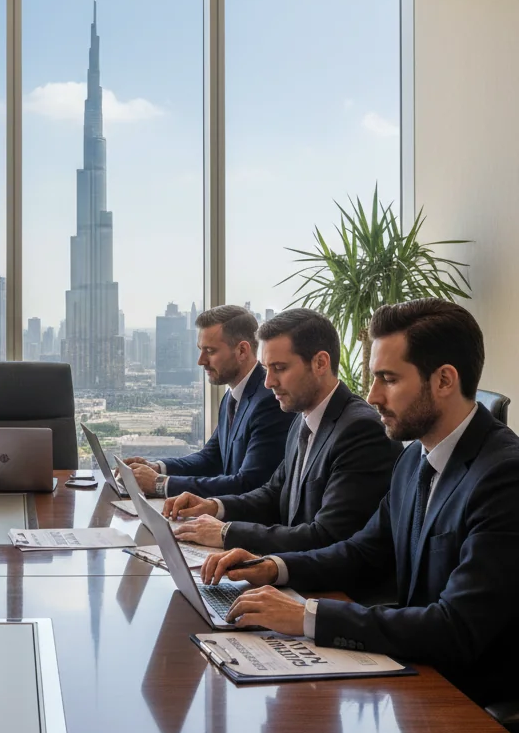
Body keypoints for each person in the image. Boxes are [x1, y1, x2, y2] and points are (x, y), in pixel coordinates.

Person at [204, 299, 519, 708]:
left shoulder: (504, 476)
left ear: (444, 380)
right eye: (373, 378)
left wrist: (307, 616)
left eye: (388, 379)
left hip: (469, 702)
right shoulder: (415, 457)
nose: (372, 395)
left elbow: (455, 626)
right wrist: (273, 567)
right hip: (416, 681)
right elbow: (363, 550)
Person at [162, 308, 400, 554]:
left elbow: (327, 536)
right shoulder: (302, 419)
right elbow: (274, 493)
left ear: (320, 363)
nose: (268, 382)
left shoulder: (361, 431)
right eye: (267, 369)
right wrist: (214, 506)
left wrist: (226, 533)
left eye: (280, 368)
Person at [121, 305, 293, 497]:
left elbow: (249, 484)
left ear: (242, 351)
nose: (201, 361)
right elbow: (211, 458)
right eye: (201, 350)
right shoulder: (232, 396)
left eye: (210, 351)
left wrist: (160, 484)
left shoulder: (270, 401)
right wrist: (157, 468)